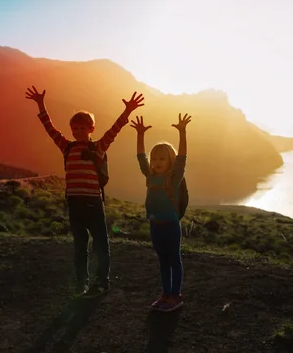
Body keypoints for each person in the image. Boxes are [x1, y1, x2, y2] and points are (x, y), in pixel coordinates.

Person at [25, 85, 144, 297]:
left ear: (91, 129)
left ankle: (102, 282)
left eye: (83, 128)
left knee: (100, 245)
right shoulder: (67, 147)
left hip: (93, 204)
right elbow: (50, 128)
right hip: (74, 204)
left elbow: (114, 130)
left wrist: (128, 111)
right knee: (79, 246)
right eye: (75, 128)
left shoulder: (97, 148)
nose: (78, 131)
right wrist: (41, 104)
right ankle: (81, 283)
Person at [131, 113, 191, 312]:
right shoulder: (149, 175)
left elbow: (182, 158)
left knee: (174, 259)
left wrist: (182, 133)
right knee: (163, 261)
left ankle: (176, 295)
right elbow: (141, 157)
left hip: (171, 225)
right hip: (155, 224)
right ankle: (165, 293)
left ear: (170, 160)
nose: (156, 162)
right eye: (154, 158)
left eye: (162, 158)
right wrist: (140, 135)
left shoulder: (173, 178)